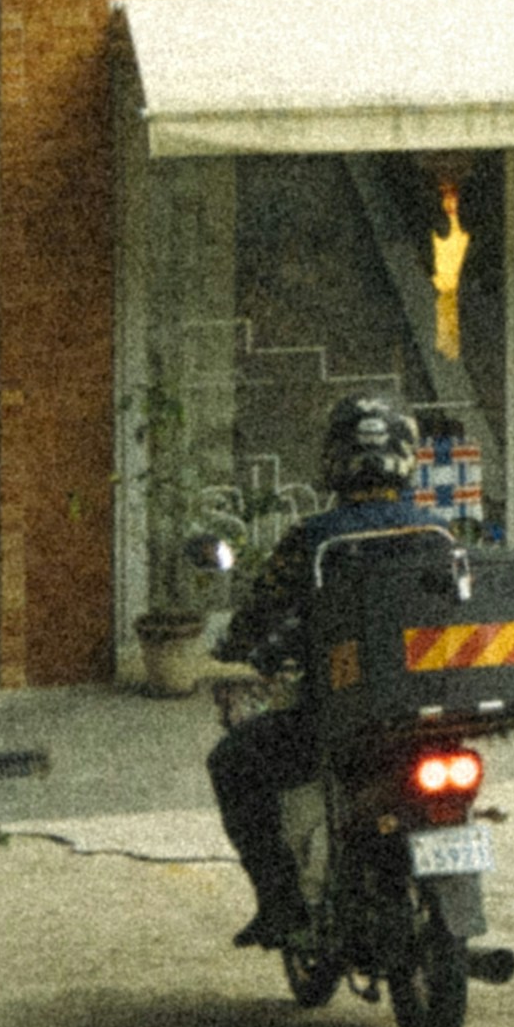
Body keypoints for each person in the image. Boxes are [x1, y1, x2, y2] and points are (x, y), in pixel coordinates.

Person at [205, 394, 448, 951]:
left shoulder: (313, 540)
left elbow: (260, 613)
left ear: (336, 459)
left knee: (232, 762)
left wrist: (241, 647)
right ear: (405, 456)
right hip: (428, 710)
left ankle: (282, 905)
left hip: (338, 715)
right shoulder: (436, 533)